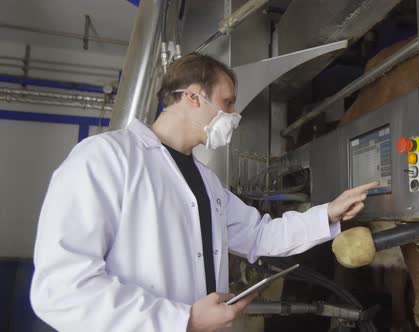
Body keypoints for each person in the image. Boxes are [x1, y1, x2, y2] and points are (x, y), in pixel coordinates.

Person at [30, 53, 377, 332]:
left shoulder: (206, 181)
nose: (234, 115)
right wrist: (183, 320)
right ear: (193, 96)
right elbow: (61, 290)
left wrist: (327, 213)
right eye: (227, 103)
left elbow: (258, 235)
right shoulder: (106, 158)